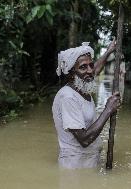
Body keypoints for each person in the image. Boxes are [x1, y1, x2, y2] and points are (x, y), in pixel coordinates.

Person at [52, 40, 121, 169]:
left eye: (91, 65)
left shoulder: (82, 86)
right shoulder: (68, 97)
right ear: (71, 74)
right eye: (83, 67)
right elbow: (84, 139)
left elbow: (95, 69)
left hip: (88, 164)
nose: (90, 70)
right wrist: (108, 109)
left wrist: (109, 51)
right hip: (75, 169)